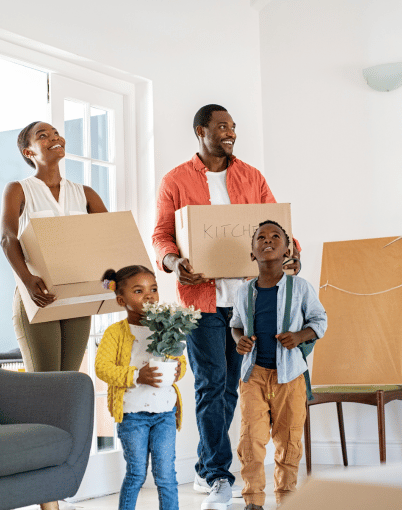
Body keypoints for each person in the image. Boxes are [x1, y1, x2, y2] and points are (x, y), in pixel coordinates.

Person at [152, 104, 301, 510]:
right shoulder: (176, 180)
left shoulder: (251, 176)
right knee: (210, 383)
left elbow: (279, 228)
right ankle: (218, 473)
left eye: (233, 127)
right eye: (221, 126)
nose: (230, 132)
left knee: (233, 383)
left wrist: (293, 252)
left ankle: (205, 468)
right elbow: (162, 235)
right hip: (201, 302)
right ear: (201, 131)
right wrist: (174, 263)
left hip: (248, 302)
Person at [0, 121, 108, 510]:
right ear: (29, 151)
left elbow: (109, 238)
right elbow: (8, 236)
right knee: (44, 387)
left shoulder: (85, 193)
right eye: (43, 136)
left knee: (69, 388)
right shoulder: (20, 189)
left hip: (76, 303)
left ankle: (55, 484)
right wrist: (28, 280)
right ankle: (49, 502)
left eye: (56, 134)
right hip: (37, 299)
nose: (54, 139)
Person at [230, 220, 327, 509]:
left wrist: (299, 336)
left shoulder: (300, 288)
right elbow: (235, 325)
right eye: (261, 237)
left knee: (289, 441)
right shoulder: (243, 291)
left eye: (276, 237)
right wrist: (240, 339)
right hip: (253, 375)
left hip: (290, 377)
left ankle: (287, 499)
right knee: (251, 440)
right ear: (252, 252)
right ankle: (253, 501)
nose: (268, 240)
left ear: (288, 250)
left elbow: (320, 321)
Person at [95, 265, 186, 510]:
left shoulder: (166, 327)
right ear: (121, 300)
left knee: (166, 475)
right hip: (132, 416)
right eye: (139, 291)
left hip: (165, 414)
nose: (149, 295)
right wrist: (137, 376)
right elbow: (102, 368)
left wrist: (178, 369)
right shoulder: (115, 333)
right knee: (136, 474)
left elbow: (180, 360)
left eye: (153, 289)